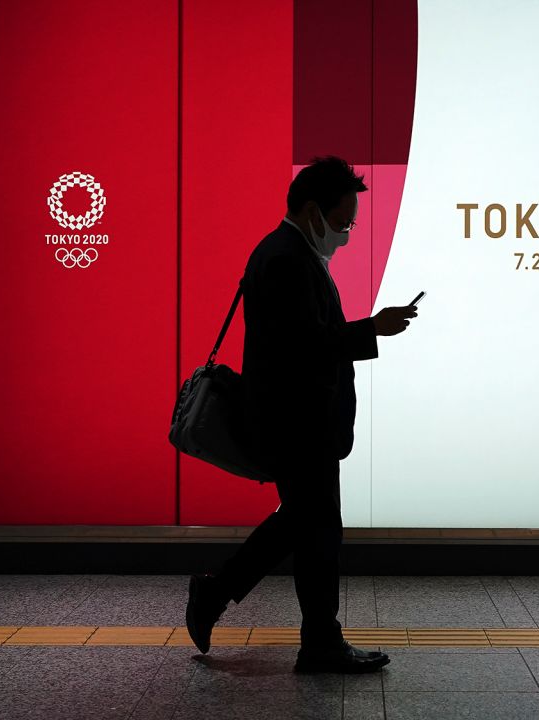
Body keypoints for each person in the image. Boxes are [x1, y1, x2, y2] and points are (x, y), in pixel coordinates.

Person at [184, 156, 417, 673]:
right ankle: (306, 635)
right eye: (343, 221)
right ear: (313, 212)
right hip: (297, 423)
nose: (347, 233)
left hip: (298, 422)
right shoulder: (288, 258)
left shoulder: (289, 252)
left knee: (308, 528)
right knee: (317, 530)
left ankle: (286, 625)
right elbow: (305, 345)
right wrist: (371, 328)